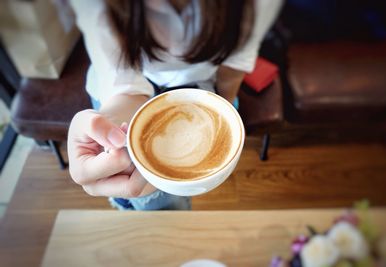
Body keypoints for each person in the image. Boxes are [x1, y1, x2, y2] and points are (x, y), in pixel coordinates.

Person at [68, 0, 283, 211]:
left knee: (166, 199)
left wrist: (225, 106)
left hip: (199, 84)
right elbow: (123, 83)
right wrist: (111, 130)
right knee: (155, 202)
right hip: (121, 90)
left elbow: (233, 65)